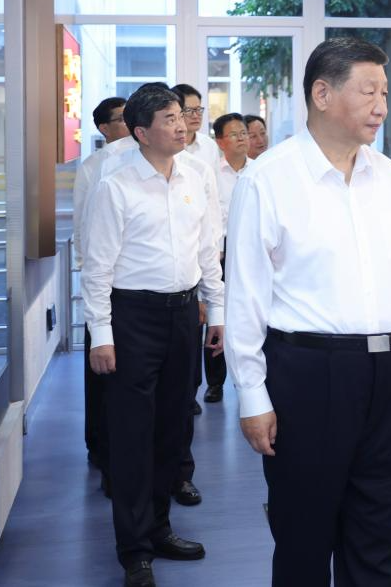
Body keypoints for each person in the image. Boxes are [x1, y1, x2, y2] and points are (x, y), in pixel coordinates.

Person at [224, 37, 391, 586]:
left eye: (384, 92)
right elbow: (244, 297)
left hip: (388, 374)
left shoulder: (388, 176)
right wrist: (252, 395)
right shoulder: (268, 179)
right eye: (368, 92)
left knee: (379, 533)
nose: (382, 106)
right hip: (308, 376)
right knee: (304, 538)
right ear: (322, 93)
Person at [81, 84, 224, 587]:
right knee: (132, 435)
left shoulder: (196, 176)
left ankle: (160, 529)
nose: (181, 125)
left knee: (172, 428)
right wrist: (102, 334)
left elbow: (207, 249)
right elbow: (97, 267)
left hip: (184, 313)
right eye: (169, 118)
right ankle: (134, 550)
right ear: (141, 132)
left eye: (181, 116)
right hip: (132, 317)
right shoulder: (115, 186)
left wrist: (217, 309)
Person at [72, 96, 127, 490]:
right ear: (104, 129)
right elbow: (82, 227)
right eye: (120, 119)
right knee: (102, 380)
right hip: (104, 287)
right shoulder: (94, 168)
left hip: (138, 291)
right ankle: (102, 452)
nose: (128, 124)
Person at [169, 83, 220, 505]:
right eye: (183, 112)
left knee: (182, 398)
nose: (191, 119)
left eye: (196, 111)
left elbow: (208, 238)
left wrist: (210, 299)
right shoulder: (119, 172)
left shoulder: (201, 166)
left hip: (188, 295)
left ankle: (180, 476)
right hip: (136, 305)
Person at [201, 113, 249, 403]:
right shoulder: (210, 174)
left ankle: (252, 380)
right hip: (220, 250)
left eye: (244, 132)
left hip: (251, 249)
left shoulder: (260, 171)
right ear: (220, 141)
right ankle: (215, 382)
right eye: (234, 134)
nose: (242, 138)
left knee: (250, 314)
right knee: (217, 315)